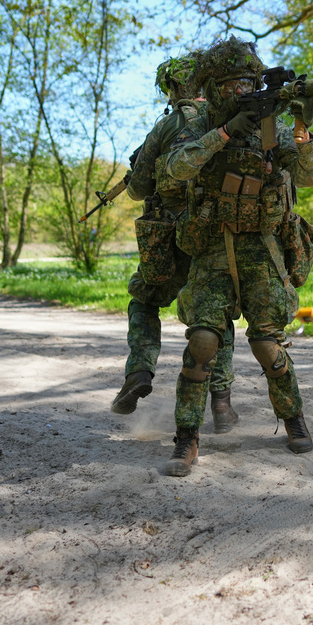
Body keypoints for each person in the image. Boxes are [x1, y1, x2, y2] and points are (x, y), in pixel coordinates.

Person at [162, 36, 313, 476]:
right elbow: (177, 167)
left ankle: (293, 418)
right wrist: (225, 131)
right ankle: (186, 438)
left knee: (267, 342)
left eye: (245, 83)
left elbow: (312, 177)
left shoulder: (269, 127)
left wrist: (302, 135)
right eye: (229, 84)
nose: (238, 91)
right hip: (213, 245)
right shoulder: (200, 126)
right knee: (202, 342)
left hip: (263, 246)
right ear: (213, 89)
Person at [110, 54, 241, 435]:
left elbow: (136, 190)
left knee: (145, 299)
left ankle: (138, 371)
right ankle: (221, 402)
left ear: (173, 87)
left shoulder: (168, 124)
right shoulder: (227, 121)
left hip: (167, 235)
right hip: (215, 234)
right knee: (215, 314)